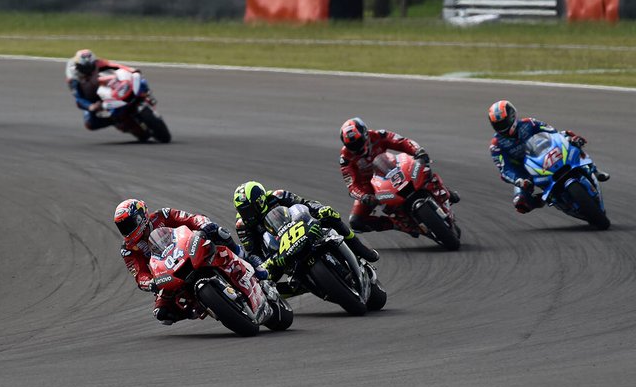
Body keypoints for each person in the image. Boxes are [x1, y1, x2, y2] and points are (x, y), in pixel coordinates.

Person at [115, 199, 267, 325]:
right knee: (162, 314)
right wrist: (149, 283)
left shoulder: (163, 215)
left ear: (141, 217)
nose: (126, 230)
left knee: (219, 232)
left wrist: (203, 225)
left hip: (190, 248)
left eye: (128, 224)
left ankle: (248, 260)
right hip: (168, 271)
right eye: (122, 227)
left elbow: (190, 218)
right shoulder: (128, 249)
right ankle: (201, 305)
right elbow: (139, 273)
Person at [339, 117, 459, 236]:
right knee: (356, 222)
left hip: (392, 168)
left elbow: (402, 142)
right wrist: (364, 196)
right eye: (352, 146)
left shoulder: (378, 135)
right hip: (370, 187)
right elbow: (351, 185)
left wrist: (418, 151)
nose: (356, 148)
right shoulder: (345, 159)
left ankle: (442, 191)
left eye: (358, 142)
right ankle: (397, 224)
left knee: (423, 169)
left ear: (365, 134)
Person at [232, 181, 379, 277]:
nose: (247, 214)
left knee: (331, 215)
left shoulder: (278, 196)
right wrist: (263, 264)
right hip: (279, 252)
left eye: (249, 209)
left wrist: (320, 210)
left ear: (260, 200)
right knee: (262, 276)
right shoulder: (242, 225)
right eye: (243, 210)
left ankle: (361, 249)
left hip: (303, 229)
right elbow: (253, 253)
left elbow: (306, 204)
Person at [488, 100, 610, 214]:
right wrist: (518, 180)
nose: (502, 126)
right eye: (498, 124)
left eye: (503, 122)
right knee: (520, 203)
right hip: (525, 171)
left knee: (570, 137)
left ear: (512, 116)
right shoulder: (496, 145)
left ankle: (595, 170)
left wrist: (569, 139)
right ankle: (541, 200)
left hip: (544, 153)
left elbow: (552, 131)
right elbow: (505, 169)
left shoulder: (529, 123)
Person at [65, 49, 154, 131]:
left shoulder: (97, 62)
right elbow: (79, 99)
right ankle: (115, 120)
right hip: (92, 99)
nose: (89, 70)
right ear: (78, 66)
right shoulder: (74, 79)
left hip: (104, 87)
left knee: (137, 77)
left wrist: (131, 70)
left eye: (91, 66)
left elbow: (115, 66)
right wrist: (90, 106)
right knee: (90, 124)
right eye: (85, 67)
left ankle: (146, 95)